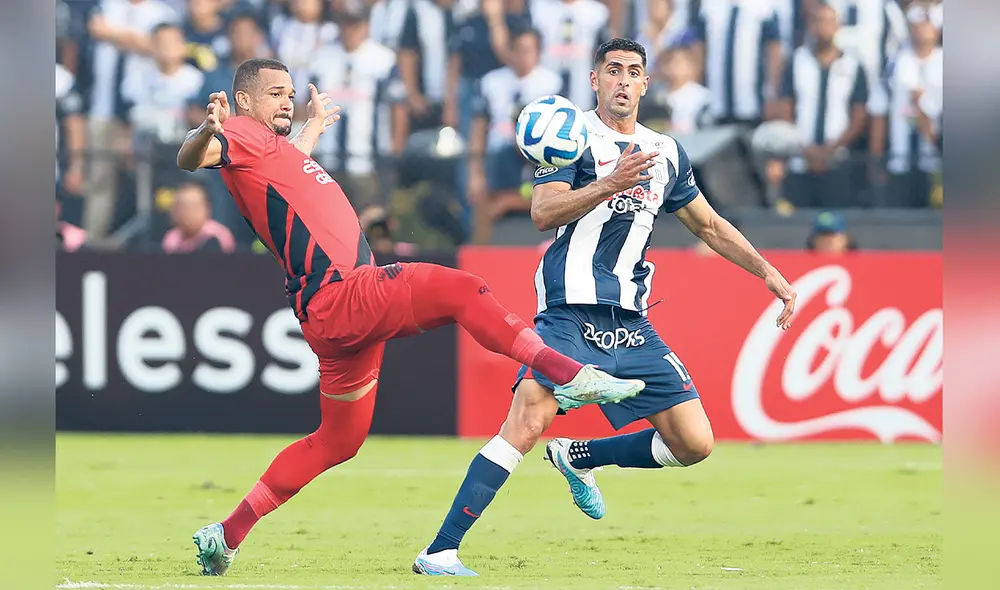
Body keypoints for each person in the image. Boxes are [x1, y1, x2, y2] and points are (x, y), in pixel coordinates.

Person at [175, 57, 646, 576]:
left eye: (290, 92)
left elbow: (281, 173)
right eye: (275, 94)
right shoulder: (236, 131)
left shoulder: (270, 150)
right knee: (463, 290)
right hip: (345, 293)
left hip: (328, 315)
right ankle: (568, 375)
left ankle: (226, 534)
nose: (287, 101)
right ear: (243, 100)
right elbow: (192, 158)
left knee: (338, 441)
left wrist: (307, 130)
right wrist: (205, 130)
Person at [413, 38, 797, 576]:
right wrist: (609, 182)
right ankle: (440, 550)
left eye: (633, 72)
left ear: (644, 84)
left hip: (631, 323)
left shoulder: (667, 152)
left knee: (695, 443)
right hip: (569, 313)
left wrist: (768, 272)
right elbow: (543, 212)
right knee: (528, 419)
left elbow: (708, 224)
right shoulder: (570, 135)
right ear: (594, 81)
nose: (622, 80)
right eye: (612, 70)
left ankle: (580, 457)